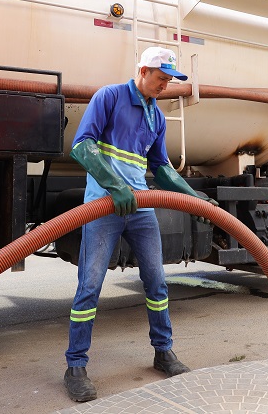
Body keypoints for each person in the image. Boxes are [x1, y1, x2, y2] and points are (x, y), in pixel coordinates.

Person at [63, 46, 218, 402]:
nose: (165, 86)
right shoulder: (110, 97)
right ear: (143, 71)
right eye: (161, 78)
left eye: (169, 80)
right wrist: (115, 187)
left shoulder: (156, 117)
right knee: (89, 285)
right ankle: (75, 366)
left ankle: (163, 352)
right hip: (102, 206)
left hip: (141, 208)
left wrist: (196, 198)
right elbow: (82, 146)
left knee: (156, 281)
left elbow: (161, 169)